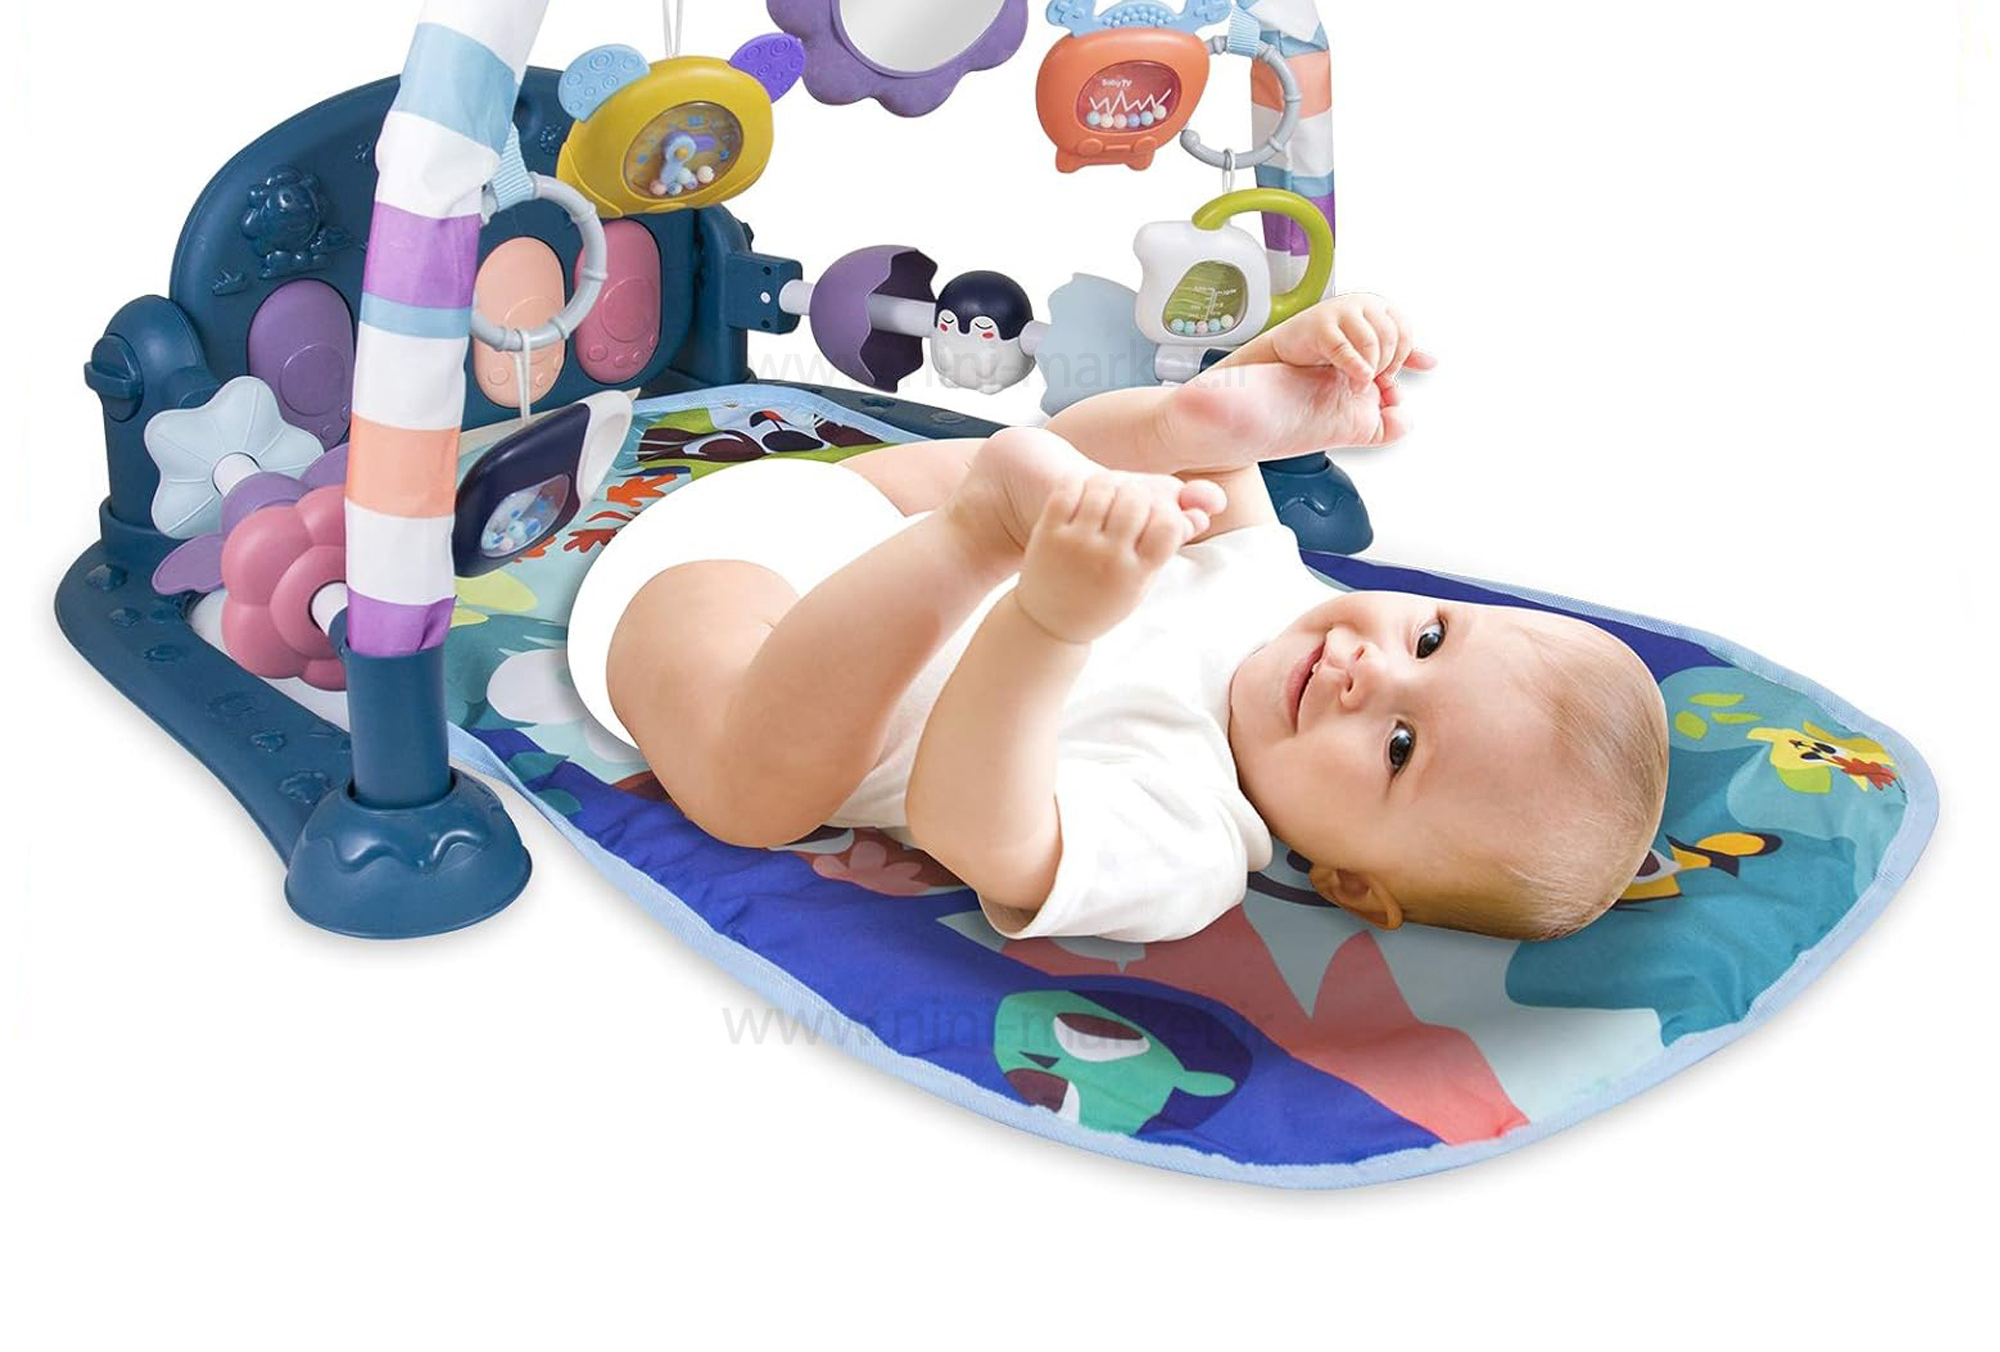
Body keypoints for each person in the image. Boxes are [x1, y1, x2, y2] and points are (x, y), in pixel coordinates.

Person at [580, 295, 1668, 943]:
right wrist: (1254, 389)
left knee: (759, 799)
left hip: (716, 621)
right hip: (856, 502)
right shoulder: (1279, 594)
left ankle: (979, 534)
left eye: (1397, 747)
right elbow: (1191, 469)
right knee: (1166, 458)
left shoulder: (1191, 839)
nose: (1368, 672)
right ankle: (1108, 451)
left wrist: (1048, 626)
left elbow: (971, 829)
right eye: (1429, 638)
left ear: (1350, 884)